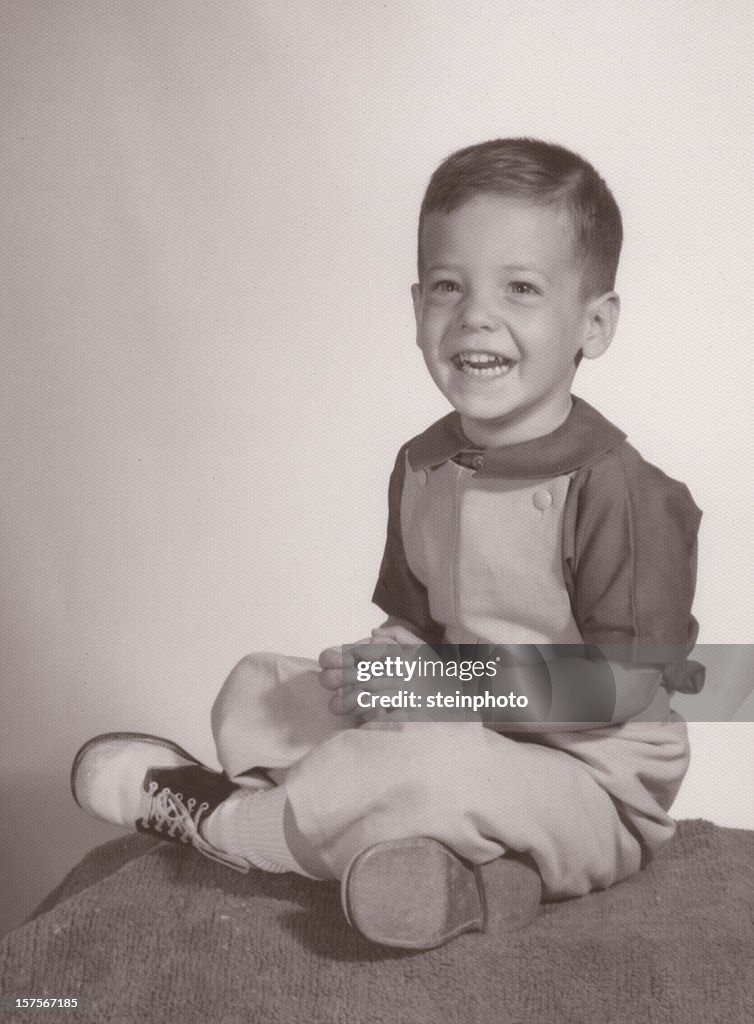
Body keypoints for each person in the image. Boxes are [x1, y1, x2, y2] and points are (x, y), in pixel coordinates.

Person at [72, 138, 703, 951]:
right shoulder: (425, 465)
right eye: (449, 286)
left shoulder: (622, 491)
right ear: (416, 311)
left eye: (520, 287)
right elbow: (424, 629)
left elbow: (615, 694)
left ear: (595, 324)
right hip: (470, 733)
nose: (476, 314)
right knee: (260, 691)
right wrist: (380, 675)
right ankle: (480, 882)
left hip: (594, 781)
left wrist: (434, 694)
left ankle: (228, 825)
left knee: (425, 769)